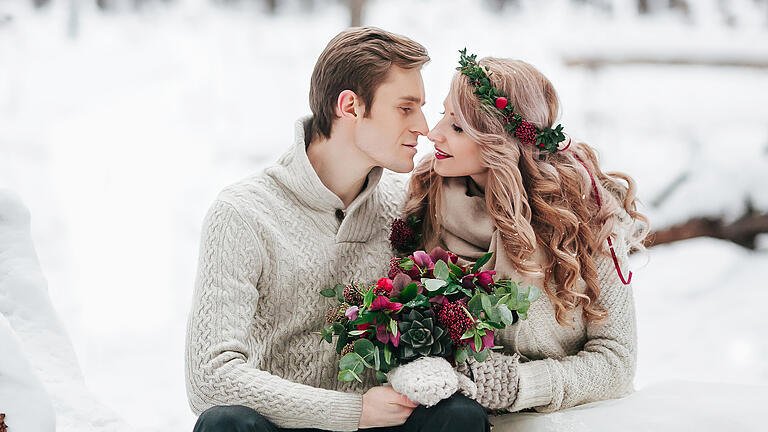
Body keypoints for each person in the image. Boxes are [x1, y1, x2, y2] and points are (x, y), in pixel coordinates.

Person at [185, 29, 490, 432]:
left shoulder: (407, 207)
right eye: (405, 108)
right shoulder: (243, 215)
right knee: (225, 423)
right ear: (350, 105)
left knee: (459, 417)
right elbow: (209, 378)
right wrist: (350, 412)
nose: (423, 126)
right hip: (285, 425)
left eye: (422, 108)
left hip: (386, 425)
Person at [389, 51, 649, 414]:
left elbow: (616, 363)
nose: (434, 134)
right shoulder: (426, 200)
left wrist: (520, 385)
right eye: (443, 116)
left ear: (500, 142)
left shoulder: (585, 218)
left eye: (458, 127)